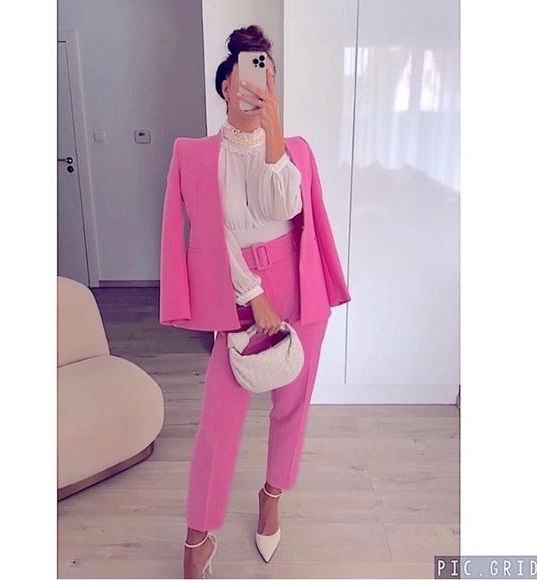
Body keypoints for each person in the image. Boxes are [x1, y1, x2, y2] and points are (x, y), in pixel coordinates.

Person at [159, 24, 351, 579]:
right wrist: (254, 295)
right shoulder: (194, 155)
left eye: (267, 76)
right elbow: (212, 235)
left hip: (298, 281)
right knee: (220, 419)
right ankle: (197, 537)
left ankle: (272, 494)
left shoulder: (294, 151)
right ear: (226, 85)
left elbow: (285, 207)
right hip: (240, 289)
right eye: (247, 74)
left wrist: (274, 132)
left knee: (293, 402)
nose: (257, 85)